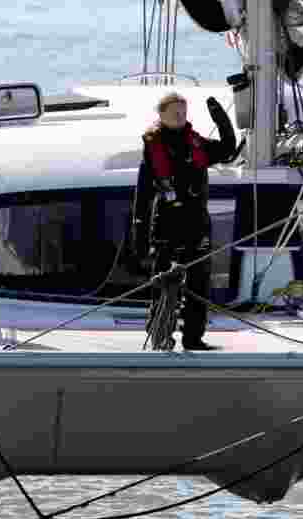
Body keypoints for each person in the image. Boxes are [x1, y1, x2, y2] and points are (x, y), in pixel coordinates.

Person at [132, 92, 236, 351]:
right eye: (176, 112)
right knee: (165, 284)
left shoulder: (196, 142)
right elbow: (143, 196)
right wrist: (140, 238)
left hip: (197, 223)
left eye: (184, 111)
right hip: (167, 224)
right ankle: (160, 335)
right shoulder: (153, 146)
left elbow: (227, 148)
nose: (181, 116)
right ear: (162, 114)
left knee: (199, 283)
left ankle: (194, 338)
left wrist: (220, 117)